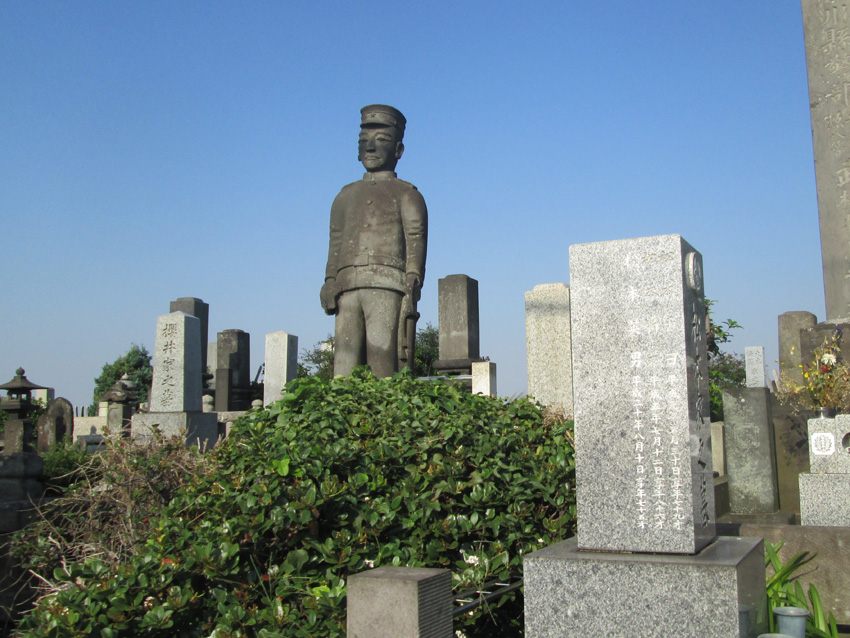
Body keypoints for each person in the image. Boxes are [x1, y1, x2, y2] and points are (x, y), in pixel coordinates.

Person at [320, 104, 428, 377]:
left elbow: (415, 237)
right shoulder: (344, 196)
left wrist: (413, 277)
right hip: (347, 286)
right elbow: (336, 241)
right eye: (364, 141)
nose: (370, 147)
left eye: (381, 140)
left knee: (384, 361)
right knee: (343, 366)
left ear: (398, 150)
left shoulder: (407, 193)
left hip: (386, 284)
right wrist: (330, 279)